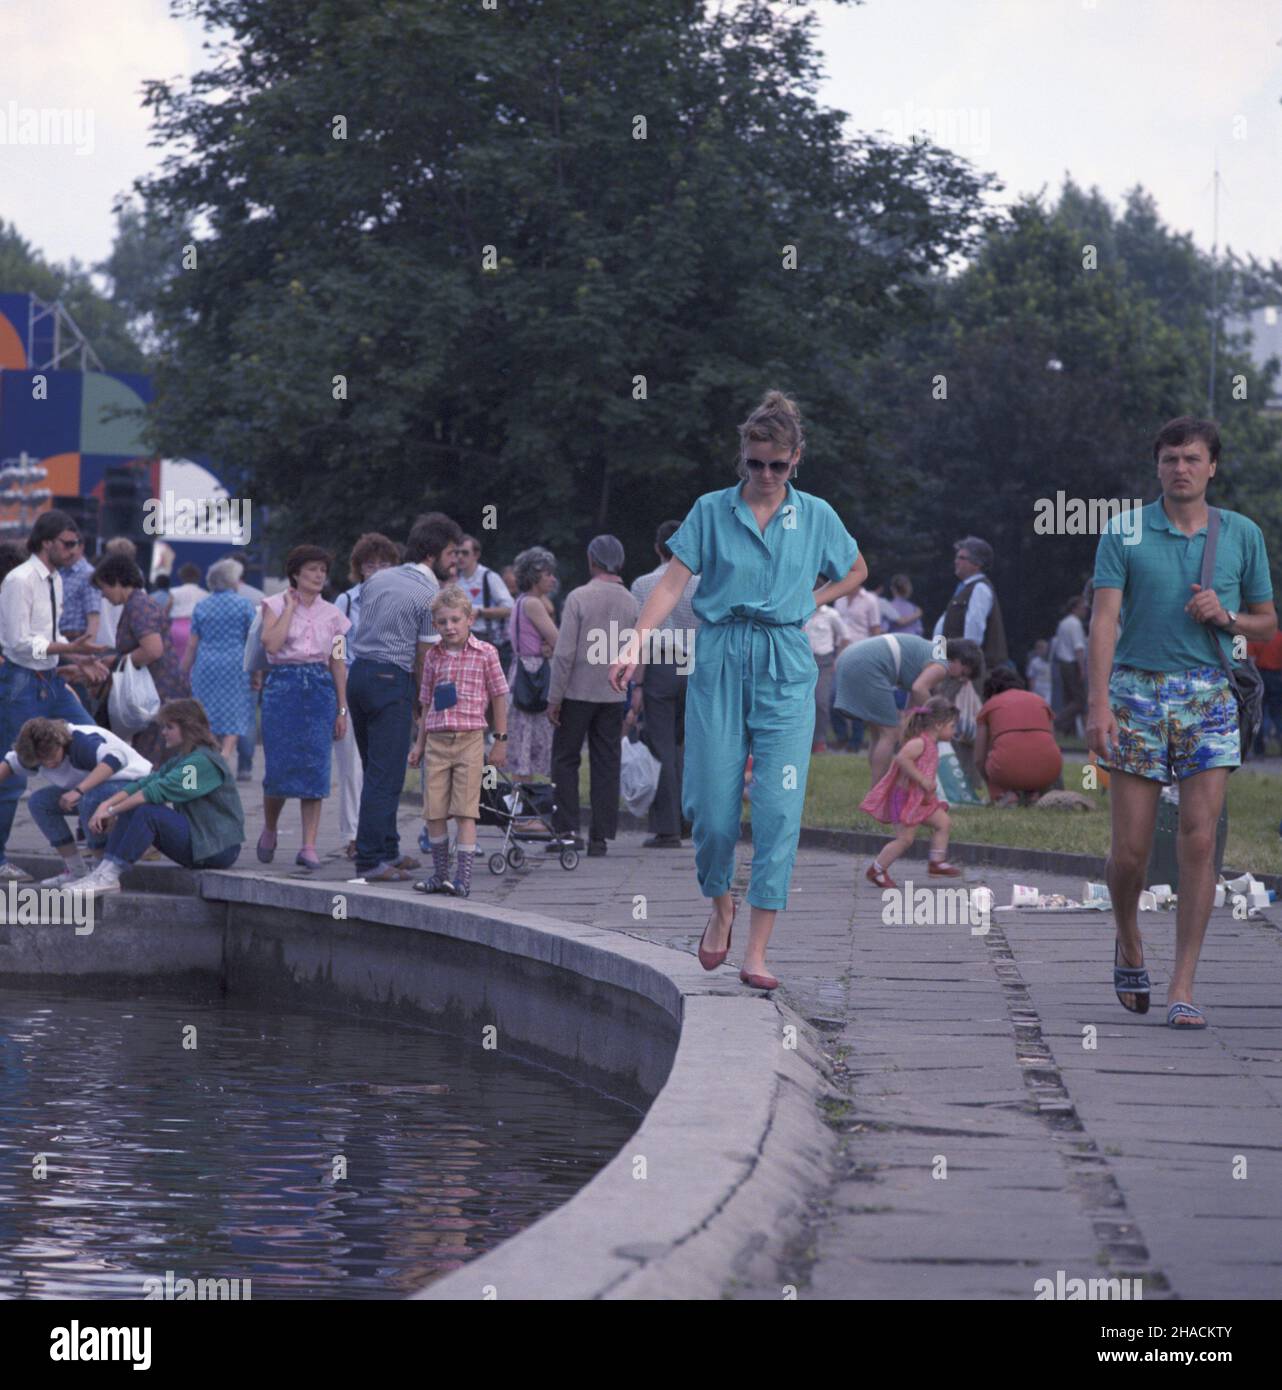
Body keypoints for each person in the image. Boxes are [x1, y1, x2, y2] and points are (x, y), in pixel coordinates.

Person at [611, 389, 864, 991]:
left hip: (785, 661)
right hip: (720, 657)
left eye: (779, 464)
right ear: (742, 459)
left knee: (778, 810)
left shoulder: (818, 515)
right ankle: (720, 904)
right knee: (712, 811)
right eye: (756, 464)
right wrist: (635, 642)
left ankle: (756, 951)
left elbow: (856, 568)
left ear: (796, 458)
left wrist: (814, 600)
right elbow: (673, 586)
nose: (767, 475)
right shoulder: (710, 510)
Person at [1089, 416, 1276, 1029]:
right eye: (1170, 458)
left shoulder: (1241, 534)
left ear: (1213, 466)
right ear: (1158, 465)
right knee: (1131, 852)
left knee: (1199, 839)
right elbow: (1102, 622)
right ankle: (1129, 938)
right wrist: (1096, 705)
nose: (1181, 468)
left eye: (1192, 458)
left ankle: (1183, 983)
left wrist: (1226, 617)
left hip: (1209, 696)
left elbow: (1266, 622)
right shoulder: (1125, 533)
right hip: (1135, 694)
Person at [348, 513, 462, 882]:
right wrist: (426, 706)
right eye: (451, 552)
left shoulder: (378, 578)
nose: (455, 560)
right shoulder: (431, 596)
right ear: (432, 553)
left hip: (359, 675)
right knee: (387, 774)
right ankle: (370, 860)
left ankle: (388, 848)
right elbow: (426, 658)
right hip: (390, 679)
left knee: (376, 769)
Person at [0, 511, 103, 881]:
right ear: (46, 542)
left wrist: (73, 659)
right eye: (68, 543)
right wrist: (67, 649)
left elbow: (48, 634)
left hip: (49, 679)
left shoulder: (55, 579)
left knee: (95, 742)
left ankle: (96, 847)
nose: (74, 551)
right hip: (21, 680)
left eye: (76, 543)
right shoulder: (19, 580)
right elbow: (16, 642)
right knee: (13, 770)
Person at [72, 698, 245, 894]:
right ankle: (103, 872)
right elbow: (146, 783)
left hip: (218, 849)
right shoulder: (185, 758)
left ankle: (109, 875)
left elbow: (155, 792)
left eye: (169, 727)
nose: (163, 733)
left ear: (189, 728)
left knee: (147, 811)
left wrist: (111, 811)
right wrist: (106, 805)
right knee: (137, 805)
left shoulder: (202, 762)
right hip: (202, 842)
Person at [255, 545, 351, 870]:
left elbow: (338, 661)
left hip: (320, 688)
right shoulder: (273, 604)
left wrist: (342, 709)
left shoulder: (334, 615)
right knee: (279, 766)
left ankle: (308, 845)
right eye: (312, 569)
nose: (319, 575)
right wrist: (290, 609)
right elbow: (271, 644)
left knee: (316, 768)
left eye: (322, 570)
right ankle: (269, 827)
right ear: (296, 573)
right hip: (283, 685)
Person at [409, 584, 509, 897]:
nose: (449, 627)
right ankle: (439, 874)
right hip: (437, 741)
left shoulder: (486, 653)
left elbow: (499, 697)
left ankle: (462, 878)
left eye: (455, 620)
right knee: (434, 812)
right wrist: (419, 744)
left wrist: (500, 740)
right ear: (435, 625)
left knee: (467, 811)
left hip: (470, 740)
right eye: (442, 622)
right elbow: (426, 703)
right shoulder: (433, 658)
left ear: (469, 619)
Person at [548, 536, 639, 857]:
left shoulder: (578, 598)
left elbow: (564, 653)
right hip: (613, 694)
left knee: (565, 759)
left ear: (592, 561)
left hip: (576, 691)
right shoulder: (631, 601)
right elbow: (635, 649)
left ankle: (568, 829)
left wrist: (554, 697)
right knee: (606, 762)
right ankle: (601, 835)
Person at [0, 716, 152, 884]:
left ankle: (102, 871)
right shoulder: (31, 751)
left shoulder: (79, 741)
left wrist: (78, 790)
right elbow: (8, 765)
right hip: (94, 788)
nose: (49, 763)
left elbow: (114, 760)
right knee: (39, 802)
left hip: (132, 782)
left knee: (90, 799)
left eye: (52, 756)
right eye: (43, 760)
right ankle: (77, 870)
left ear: (60, 742)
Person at [630, 521, 702, 845]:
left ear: (658, 548)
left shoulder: (643, 585)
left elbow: (640, 638)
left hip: (661, 666)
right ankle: (691, 819)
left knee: (662, 746)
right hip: (698, 667)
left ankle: (667, 827)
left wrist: (638, 685)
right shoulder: (702, 583)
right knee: (690, 746)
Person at [833, 633, 984, 786]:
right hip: (866, 665)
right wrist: (938, 719)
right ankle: (878, 794)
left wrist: (910, 722)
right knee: (890, 733)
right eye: (963, 673)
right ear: (958, 661)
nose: (960, 679)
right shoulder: (941, 665)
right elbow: (919, 689)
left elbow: (914, 700)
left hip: (849, 657)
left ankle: (877, 791)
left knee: (878, 733)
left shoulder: (931, 652)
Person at [334, 532, 400, 857]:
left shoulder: (399, 599)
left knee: (383, 764)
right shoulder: (346, 601)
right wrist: (340, 702)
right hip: (351, 678)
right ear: (359, 568)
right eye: (370, 564)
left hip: (388, 680)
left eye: (384, 564)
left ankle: (381, 834)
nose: (376, 570)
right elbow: (335, 648)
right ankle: (351, 835)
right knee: (351, 765)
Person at [92, 552, 192, 766]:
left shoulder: (138, 606)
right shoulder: (138, 603)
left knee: (150, 760)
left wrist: (119, 661)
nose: (103, 595)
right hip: (160, 691)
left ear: (117, 580)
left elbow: (153, 650)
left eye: (104, 587)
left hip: (158, 693)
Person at [860, 697, 961, 886]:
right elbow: (902, 759)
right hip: (905, 799)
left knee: (943, 822)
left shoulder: (931, 743)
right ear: (939, 725)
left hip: (921, 801)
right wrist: (922, 779)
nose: (954, 731)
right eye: (952, 726)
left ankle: (936, 862)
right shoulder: (919, 743)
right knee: (905, 840)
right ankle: (877, 869)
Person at [182, 558, 256, 762]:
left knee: (206, 710)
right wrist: (257, 673)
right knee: (235, 708)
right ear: (232, 579)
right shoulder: (244, 605)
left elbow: (192, 644)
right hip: (235, 665)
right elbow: (253, 641)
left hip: (206, 664)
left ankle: (211, 753)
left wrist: (183, 672)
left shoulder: (202, 605)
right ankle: (226, 753)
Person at [506, 547, 559, 785]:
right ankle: (525, 807)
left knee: (521, 743)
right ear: (535, 574)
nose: (552, 579)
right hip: (534, 674)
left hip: (520, 672)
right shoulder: (533, 604)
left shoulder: (522, 601)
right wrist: (548, 645)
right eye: (547, 574)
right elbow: (558, 639)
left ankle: (521, 805)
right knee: (528, 743)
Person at [974, 666, 1062, 805]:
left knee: (996, 756)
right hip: (1049, 770)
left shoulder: (989, 706)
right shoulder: (1040, 701)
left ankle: (1003, 795)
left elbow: (979, 758)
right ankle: (1034, 793)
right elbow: (1051, 743)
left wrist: (992, 784)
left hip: (1005, 771)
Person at [932, 535, 1009, 690]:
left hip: (965, 673)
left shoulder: (979, 588)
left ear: (977, 564)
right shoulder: (966, 589)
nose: (956, 561)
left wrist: (965, 666)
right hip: (954, 667)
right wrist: (937, 659)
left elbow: (973, 633)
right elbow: (944, 626)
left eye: (961, 557)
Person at [226, 552, 267, 781]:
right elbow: (260, 638)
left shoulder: (218, 597)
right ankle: (245, 766)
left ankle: (221, 760)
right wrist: (258, 670)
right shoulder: (258, 597)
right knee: (249, 715)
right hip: (248, 663)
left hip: (223, 666)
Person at [455, 535, 514, 674]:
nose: (460, 557)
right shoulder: (456, 580)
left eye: (465, 553)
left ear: (476, 555)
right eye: (457, 553)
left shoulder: (489, 577)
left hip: (488, 639)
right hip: (464, 640)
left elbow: (510, 608)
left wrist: (480, 612)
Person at [804, 599, 847, 754]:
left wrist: (838, 658)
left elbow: (845, 636)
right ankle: (804, 741)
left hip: (824, 661)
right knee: (802, 703)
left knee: (821, 701)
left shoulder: (831, 614)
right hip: (804, 660)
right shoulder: (801, 610)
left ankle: (820, 741)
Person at [1052, 595, 1089, 737]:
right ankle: (1058, 722)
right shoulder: (1075, 624)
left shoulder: (1063, 623)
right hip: (1072, 663)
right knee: (1079, 700)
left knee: (1069, 698)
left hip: (1062, 663)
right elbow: (1078, 648)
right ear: (1075, 608)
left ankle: (1068, 732)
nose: (1085, 611)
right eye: (1082, 608)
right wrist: (1082, 668)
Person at [58, 535, 101, 642]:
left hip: (77, 638)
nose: (66, 551)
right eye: (63, 545)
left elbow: (93, 617)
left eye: (70, 545)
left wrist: (87, 648)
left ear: (81, 547)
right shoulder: (60, 572)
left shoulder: (88, 574)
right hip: (58, 639)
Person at [1247, 627, 1282, 756]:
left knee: (1259, 713)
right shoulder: (1280, 637)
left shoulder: (1257, 637)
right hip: (1278, 677)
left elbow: (1251, 659)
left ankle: (1259, 750)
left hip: (1260, 675)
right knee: (1278, 714)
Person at [165, 563, 207, 664]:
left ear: (181, 576)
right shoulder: (205, 594)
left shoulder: (174, 592)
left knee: (176, 658)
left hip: (177, 628)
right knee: (194, 659)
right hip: (198, 628)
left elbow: (166, 610)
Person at [1026, 637, 1053, 704]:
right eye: (1043, 648)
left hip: (1049, 689)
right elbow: (1031, 678)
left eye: (1046, 648)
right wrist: (1031, 692)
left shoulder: (1051, 662)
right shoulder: (1034, 662)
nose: (1045, 650)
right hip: (1038, 690)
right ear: (1038, 650)